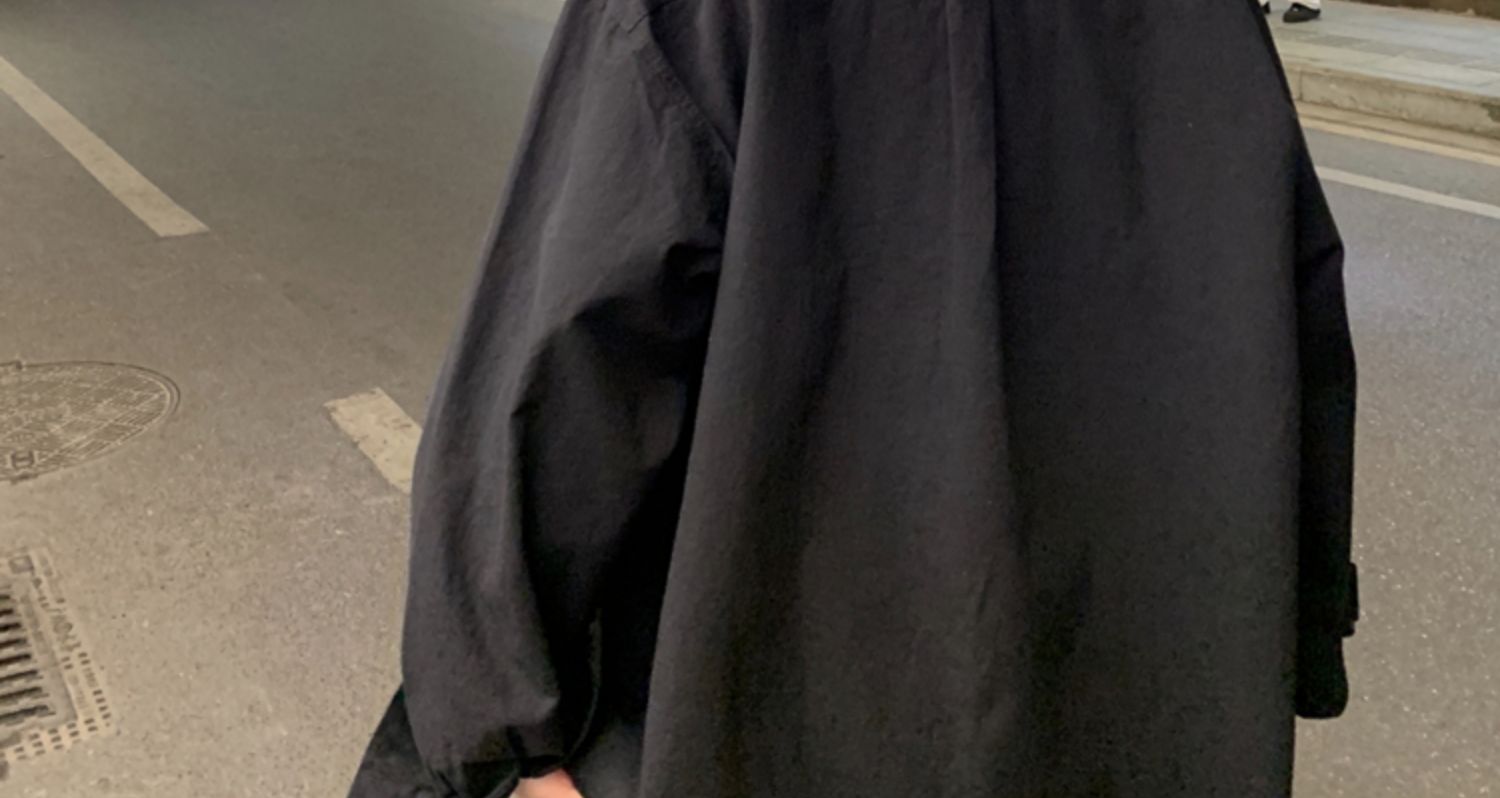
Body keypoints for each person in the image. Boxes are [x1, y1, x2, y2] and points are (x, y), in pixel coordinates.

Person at [349, 1, 1359, 796]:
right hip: (1135, 714)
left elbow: (568, 338)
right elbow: (1298, 301)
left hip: (778, 712)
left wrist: (499, 733)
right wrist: (1291, 638)